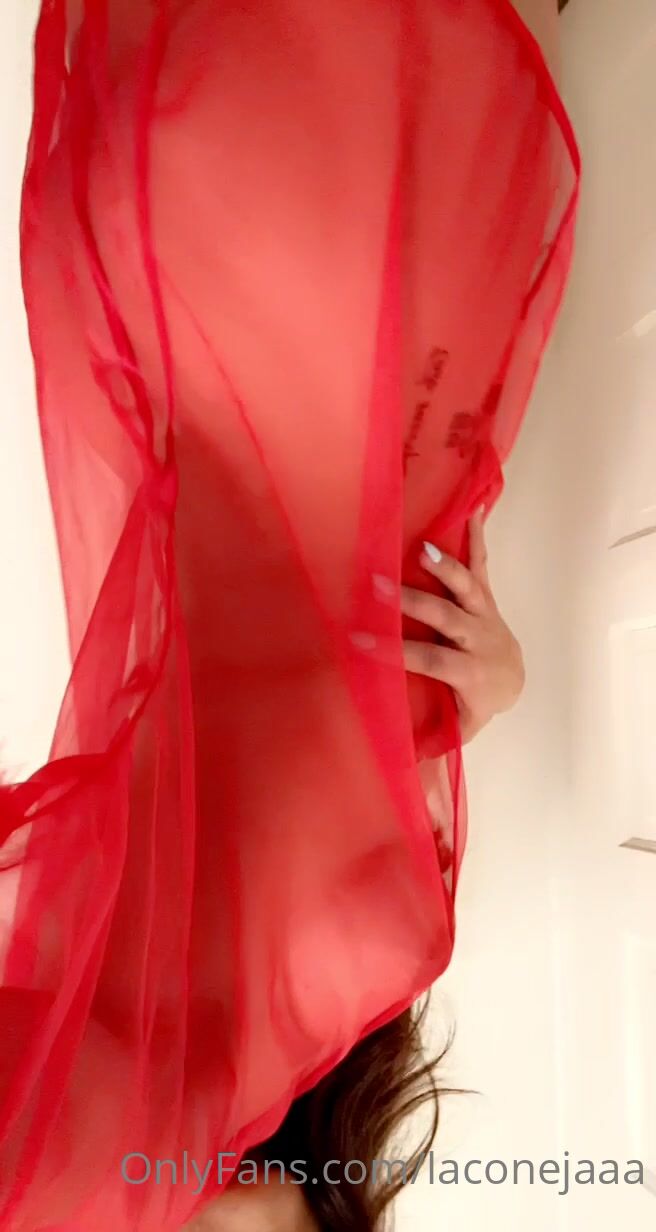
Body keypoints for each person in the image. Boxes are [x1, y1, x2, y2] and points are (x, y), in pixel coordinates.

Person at [0, 1, 579, 1228]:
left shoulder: (82, 1130)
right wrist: (486, 695)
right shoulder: (304, 1070)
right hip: (407, 407)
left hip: (248, 301)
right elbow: (329, 762)